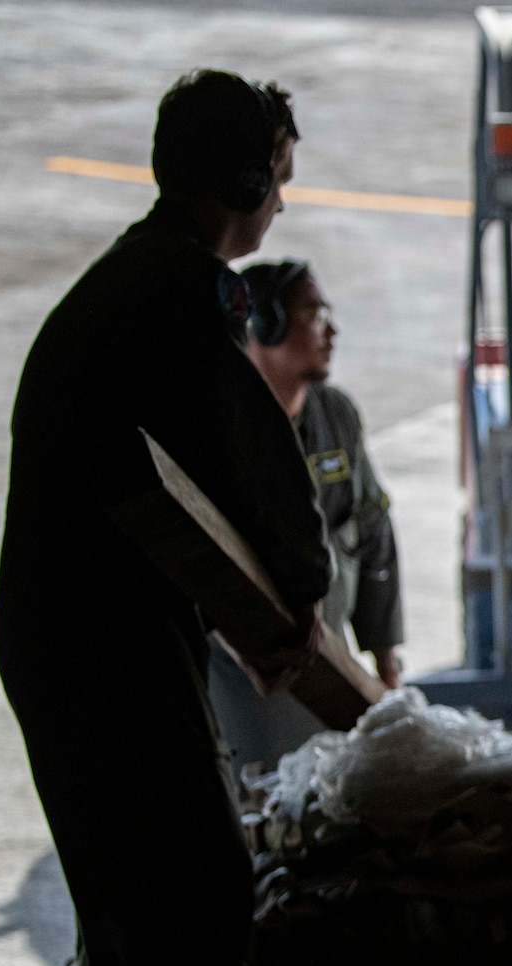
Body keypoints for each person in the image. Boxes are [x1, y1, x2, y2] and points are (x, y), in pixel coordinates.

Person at [0, 70, 329, 966]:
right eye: (278, 178)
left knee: (136, 897)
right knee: (192, 895)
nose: (282, 202)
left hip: (67, 636)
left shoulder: (131, 283)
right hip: (98, 648)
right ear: (241, 181)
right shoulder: (184, 295)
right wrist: (305, 599)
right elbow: (251, 461)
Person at [209, 258, 404, 772]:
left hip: (329, 662)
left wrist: (384, 653)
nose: (332, 331)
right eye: (315, 315)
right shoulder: (222, 429)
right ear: (265, 324)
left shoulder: (335, 416)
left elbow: (373, 531)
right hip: (246, 676)